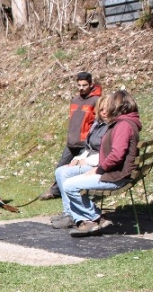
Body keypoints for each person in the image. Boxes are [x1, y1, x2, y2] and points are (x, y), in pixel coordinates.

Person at [53, 89, 142, 237]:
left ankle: (96, 218)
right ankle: (84, 218)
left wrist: (98, 169)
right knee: (65, 175)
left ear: (119, 106)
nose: (108, 108)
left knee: (70, 185)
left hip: (115, 176)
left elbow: (116, 155)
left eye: (111, 104)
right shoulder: (125, 123)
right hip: (115, 172)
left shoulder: (123, 126)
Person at [50, 93, 111, 229]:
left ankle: (73, 215)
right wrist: (77, 159)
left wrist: (86, 162)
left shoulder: (111, 128)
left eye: (107, 109)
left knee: (65, 174)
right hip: (90, 160)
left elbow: (105, 154)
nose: (104, 112)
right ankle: (69, 213)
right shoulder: (97, 125)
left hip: (98, 166)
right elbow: (88, 147)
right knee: (60, 170)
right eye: (101, 109)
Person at [41, 71, 103, 200]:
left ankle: (84, 193)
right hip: (71, 142)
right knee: (61, 167)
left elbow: (99, 122)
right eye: (79, 85)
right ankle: (56, 191)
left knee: (82, 169)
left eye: (84, 85)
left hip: (85, 144)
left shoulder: (97, 101)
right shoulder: (75, 100)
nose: (81, 88)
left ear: (91, 84)